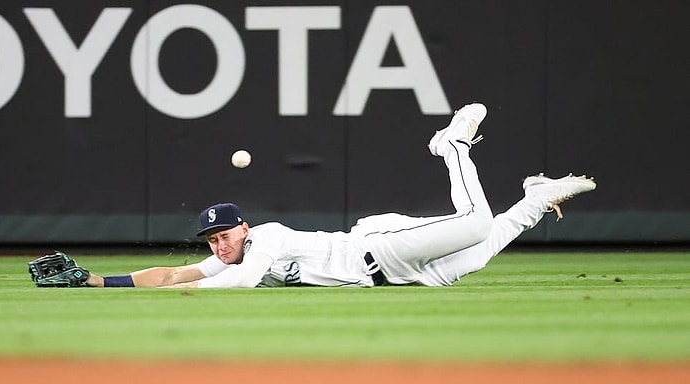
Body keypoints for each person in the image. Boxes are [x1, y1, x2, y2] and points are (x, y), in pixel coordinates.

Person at [72, 103, 596, 288]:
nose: (215, 246)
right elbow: (171, 273)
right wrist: (97, 281)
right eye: (209, 239)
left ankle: (453, 145)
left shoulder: (265, 241)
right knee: (479, 253)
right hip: (397, 277)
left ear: (244, 227)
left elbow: (246, 280)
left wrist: (179, 295)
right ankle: (533, 200)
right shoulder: (227, 258)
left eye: (222, 234)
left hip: (378, 247)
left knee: (476, 222)